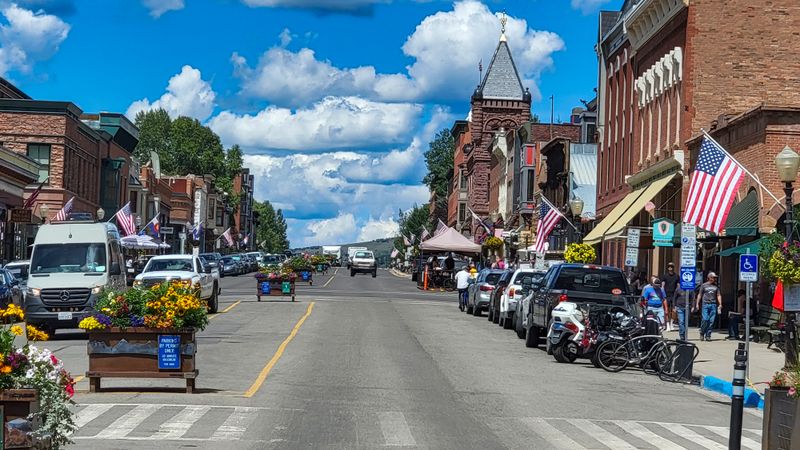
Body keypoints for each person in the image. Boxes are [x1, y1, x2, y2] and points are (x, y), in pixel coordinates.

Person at [695, 272, 723, 341]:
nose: (715, 279)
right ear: (709, 278)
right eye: (713, 277)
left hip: (713, 304)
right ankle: (702, 332)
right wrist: (697, 303)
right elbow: (700, 294)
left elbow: (718, 295)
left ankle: (708, 335)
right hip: (705, 304)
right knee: (705, 319)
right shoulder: (704, 285)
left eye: (715, 278)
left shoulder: (716, 286)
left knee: (711, 321)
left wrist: (720, 304)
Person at [661, 263, 679, 331]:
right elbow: (662, 286)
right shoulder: (665, 276)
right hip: (666, 295)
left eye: (671, 267)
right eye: (669, 267)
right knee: (667, 310)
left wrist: (678, 294)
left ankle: (671, 323)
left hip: (674, 295)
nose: (670, 268)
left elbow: (678, 285)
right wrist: (663, 295)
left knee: (674, 310)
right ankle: (667, 324)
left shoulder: (676, 276)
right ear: (668, 268)